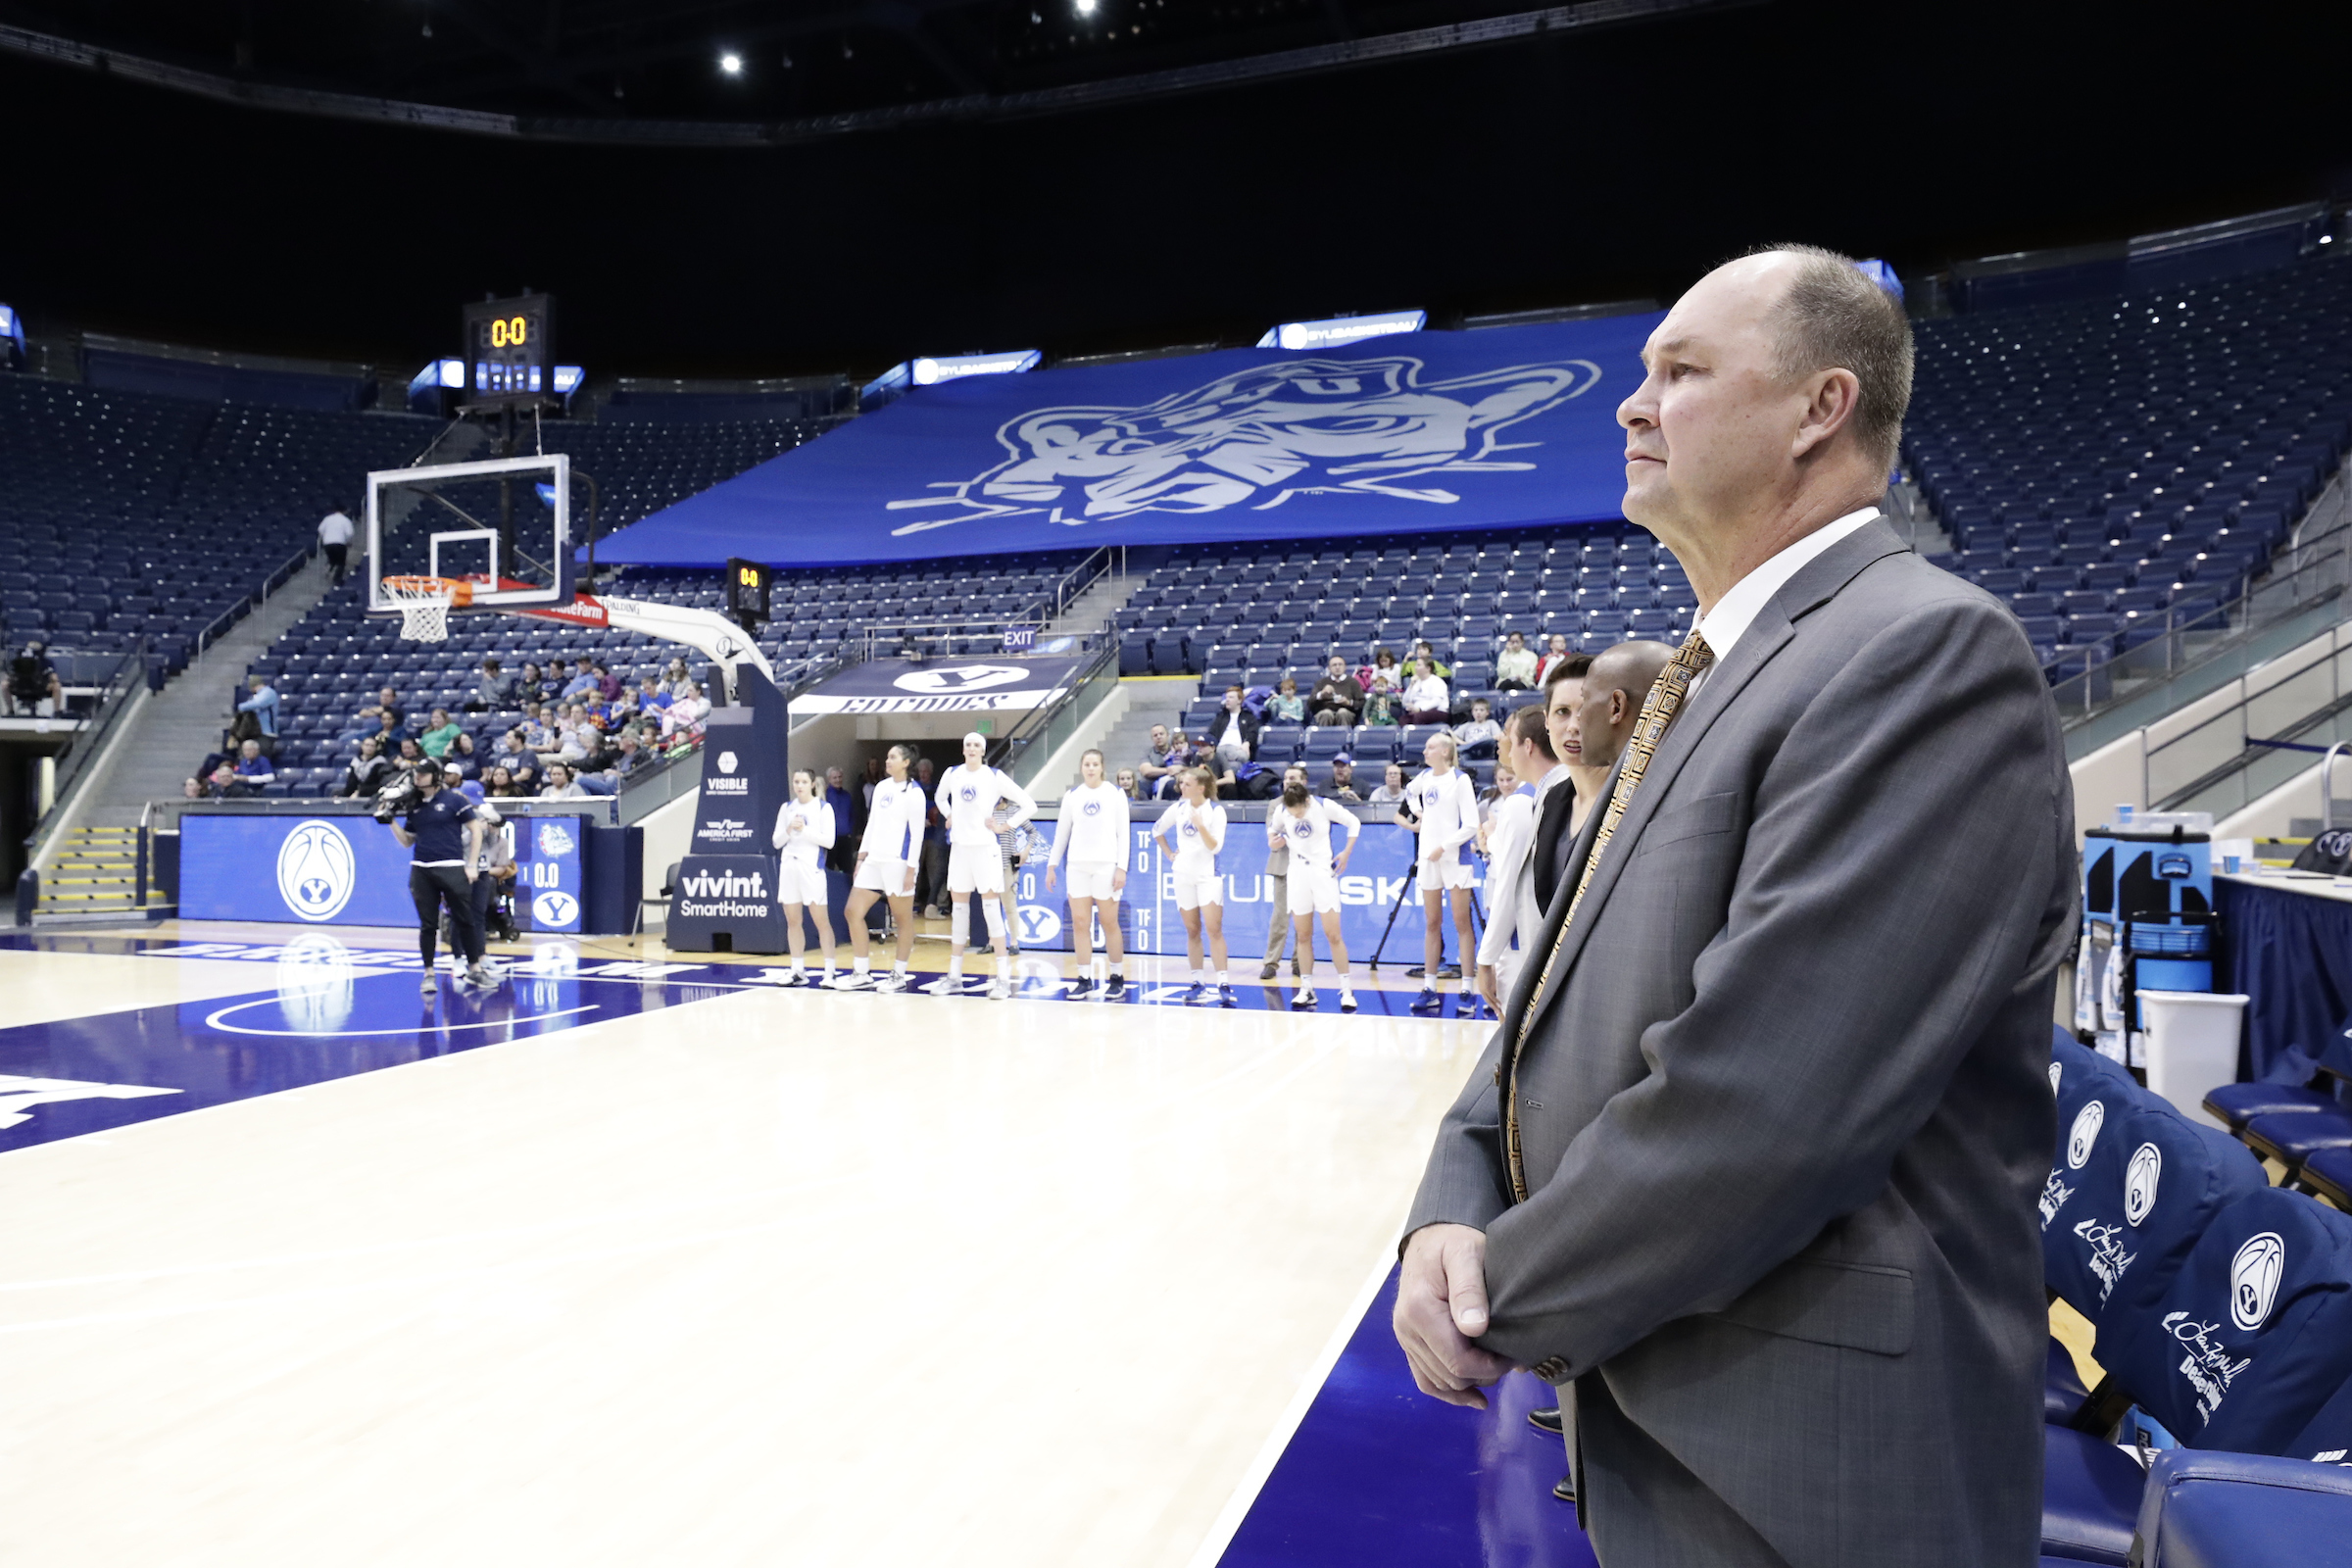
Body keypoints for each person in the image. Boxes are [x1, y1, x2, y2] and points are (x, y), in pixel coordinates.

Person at [1392, 246, 2073, 1568]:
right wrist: (1446, 1207)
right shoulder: (1715, 673)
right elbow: (1551, 1007)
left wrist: (1492, 1294)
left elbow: (1770, 1104)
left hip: (1811, 1470)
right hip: (1668, 1397)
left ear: (1821, 407)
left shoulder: (1924, 652)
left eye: (1681, 371)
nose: (1631, 404)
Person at [929, 731, 1036, 1000]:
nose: (972, 748)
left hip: (986, 851)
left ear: (983, 750)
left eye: (977, 745)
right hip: (960, 851)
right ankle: (954, 977)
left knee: (991, 911)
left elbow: (1028, 805)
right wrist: (949, 814)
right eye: (968, 745)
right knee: (960, 913)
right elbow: (940, 799)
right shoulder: (952, 774)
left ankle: (1002, 979)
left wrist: (1004, 825)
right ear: (963, 750)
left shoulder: (994, 776)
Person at [1474, 704, 1563, 1014]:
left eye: (1509, 736)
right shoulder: (1561, 788)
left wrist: (1485, 957)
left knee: (1514, 1041)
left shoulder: (1521, 803)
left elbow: (1511, 885)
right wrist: (1495, 843)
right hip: (1547, 941)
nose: (1503, 743)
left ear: (1526, 745)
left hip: (1521, 943)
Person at [384, 760, 493, 995]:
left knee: (465, 920)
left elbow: (476, 829)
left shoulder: (454, 799)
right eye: (416, 774)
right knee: (428, 925)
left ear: (435, 776)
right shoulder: (413, 805)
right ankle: (429, 974)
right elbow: (407, 841)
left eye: (422, 774)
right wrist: (390, 820)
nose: (417, 778)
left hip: (452, 866)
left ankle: (474, 968)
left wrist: (472, 864)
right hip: (422, 868)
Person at [836, 744, 926, 993]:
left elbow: (917, 835)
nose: (887, 761)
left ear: (906, 763)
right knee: (852, 911)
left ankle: (898, 974)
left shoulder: (914, 793)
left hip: (898, 863)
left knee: (902, 920)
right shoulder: (882, 787)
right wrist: (861, 858)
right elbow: (872, 823)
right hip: (874, 861)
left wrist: (911, 870)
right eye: (887, 757)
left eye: (893, 757)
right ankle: (862, 971)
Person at [1045, 748, 1131, 1000]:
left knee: (1109, 922)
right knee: (1080, 923)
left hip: (1106, 865)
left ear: (1102, 767)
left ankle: (1116, 977)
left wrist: (1121, 867)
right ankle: (1084, 978)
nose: (1091, 768)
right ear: (1081, 767)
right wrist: (1052, 865)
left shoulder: (1115, 793)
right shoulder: (1072, 796)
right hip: (1077, 866)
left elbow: (1123, 833)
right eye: (1087, 764)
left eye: (1095, 764)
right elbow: (1062, 833)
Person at [1269, 777, 1360, 1012]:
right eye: (1292, 813)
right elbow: (1273, 830)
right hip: (1297, 872)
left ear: (1306, 802)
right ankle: (1307, 988)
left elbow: (1354, 823)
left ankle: (1346, 989)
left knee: (1333, 934)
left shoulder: (1323, 805)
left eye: (1298, 812)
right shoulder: (1283, 810)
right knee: (1302, 935)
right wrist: (1274, 840)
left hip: (1322, 871)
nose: (1296, 817)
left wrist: (1346, 853)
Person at [1402, 733, 1479, 1012]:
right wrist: (1417, 811)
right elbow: (1409, 792)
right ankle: (1430, 987)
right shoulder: (1424, 778)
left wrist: (1444, 847)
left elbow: (1471, 824)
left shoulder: (1460, 780)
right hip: (1428, 859)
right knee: (1431, 923)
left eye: (1430, 746)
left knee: (1462, 923)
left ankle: (1467, 989)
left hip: (1455, 858)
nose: (1425, 750)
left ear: (1446, 752)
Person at [1154, 766, 1231, 1004]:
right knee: (1192, 930)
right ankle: (1198, 981)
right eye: (1181, 783)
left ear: (1201, 787)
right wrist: (1169, 854)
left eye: (1186, 784)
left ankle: (1223, 982)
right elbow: (1157, 830)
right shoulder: (1178, 808)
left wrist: (1200, 825)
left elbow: (1215, 847)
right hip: (1182, 876)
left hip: (1208, 876)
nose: (1181, 787)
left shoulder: (1216, 811)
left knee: (1213, 929)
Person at [772, 768, 839, 988]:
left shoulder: (823, 807)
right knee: (793, 920)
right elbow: (776, 841)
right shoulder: (787, 808)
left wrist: (806, 830)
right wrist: (790, 829)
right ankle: (797, 970)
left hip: (812, 868)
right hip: (789, 867)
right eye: (796, 781)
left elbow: (829, 841)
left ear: (812, 784)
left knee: (821, 921)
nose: (799, 785)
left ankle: (830, 971)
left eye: (803, 781)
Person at [1257, 760, 1311, 982]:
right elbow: (1275, 837)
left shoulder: (1313, 805)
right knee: (1280, 917)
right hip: (1283, 867)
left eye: (1294, 778)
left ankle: (1299, 962)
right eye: (1287, 778)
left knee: (1303, 917)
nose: (1289, 782)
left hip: (1307, 866)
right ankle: (1271, 963)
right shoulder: (1276, 805)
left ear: (1304, 782)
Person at [912, 758, 949, 916]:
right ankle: (912, 902)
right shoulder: (914, 788)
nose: (924, 774)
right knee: (915, 871)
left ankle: (941, 903)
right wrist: (920, 820)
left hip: (934, 835)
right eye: (921, 771)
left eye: (926, 772)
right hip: (917, 836)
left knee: (937, 871)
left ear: (931, 772)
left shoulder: (938, 789)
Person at [1202, 685, 1258, 767]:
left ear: (1239, 700)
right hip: (1220, 749)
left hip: (1237, 749)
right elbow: (1211, 733)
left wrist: (1247, 743)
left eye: (1231, 697)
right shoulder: (1221, 717)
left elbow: (1253, 733)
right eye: (1226, 697)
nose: (1227, 700)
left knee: (1237, 761)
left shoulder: (1249, 717)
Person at [6, 640, 62, 716]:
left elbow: (54, 678)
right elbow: (11, 676)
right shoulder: (19, 663)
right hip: (20, 686)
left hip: (41, 688)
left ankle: (57, 712)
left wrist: (51, 681)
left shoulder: (47, 662)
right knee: (4, 685)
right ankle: (10, 711)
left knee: (57, 686)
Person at [823, 765, 860, 874]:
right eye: (834, 778)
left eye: (840, 777)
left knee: (847, 870)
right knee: (828, 870)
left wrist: (850, 831)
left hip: (845, 839)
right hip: (830, 839)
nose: (838, 780)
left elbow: (851, 815)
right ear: (829, 779)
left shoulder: (847, 795)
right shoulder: (825, 795)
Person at [1308, 656, 1363, 727]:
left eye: (1340, 664)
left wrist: (1348, 702)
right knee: (1326, 713)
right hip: (1325, 710)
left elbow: (1362, 702)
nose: (1337, 667)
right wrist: (1321, 695)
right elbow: (1310, 703)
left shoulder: (1353, 682)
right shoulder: (1321, 682)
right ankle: (1323, 737)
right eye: (1334, 665)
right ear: (1329, 668)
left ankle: (1344, 737)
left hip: (1346, 712)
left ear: (1345, 667)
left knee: (1342, 712)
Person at [234, 673, 280, 755]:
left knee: (261, 757)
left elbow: (258, 703)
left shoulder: (268, 692)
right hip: (255, 733)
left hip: (267, 734)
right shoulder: (256, 696)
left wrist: (241, 706)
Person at [337, 734, 394, 798]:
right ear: (362, 746)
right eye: (367, 745)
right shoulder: (355, 761)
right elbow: (351, 782)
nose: (369, 748)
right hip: (357, 790)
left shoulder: (380, 762)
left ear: (376, 748)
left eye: (372, 746)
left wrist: (359, 791)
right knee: (336, 793)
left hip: (372, 792)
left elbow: (378, 783)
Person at [1137, 723, 1185, 797]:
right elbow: (1146, 771)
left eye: (1161, 734)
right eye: (1155, 735)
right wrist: (1168, 770)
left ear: (1168, 735)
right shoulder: (1148, 752)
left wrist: (1180, 769)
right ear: (1152, 738)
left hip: (1172, 781)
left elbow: (1188, 767)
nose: (1158, 737)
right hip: (1151, 782)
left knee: (1172, 785)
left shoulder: (1177, 749)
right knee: (1140, 785)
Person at [1401, 658, 1450, 725]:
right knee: (1403, 720)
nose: (1415, 668)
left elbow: (1437, 701)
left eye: (1418, 665)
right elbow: (1405, 702)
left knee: (1419, 716)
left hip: (1438, 711)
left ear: (1428, 668)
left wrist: (1420, 709)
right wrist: (1411, 685)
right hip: (1418, 711)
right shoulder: (1416, 682)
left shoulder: (1437, 681)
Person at [317, 506, 356, 585]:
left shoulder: (328, 519)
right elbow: (350, 533)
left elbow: (320, 529)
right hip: (340, 543)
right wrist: (347, 541)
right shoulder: (345, 520)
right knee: (341, 562)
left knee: (332, 560)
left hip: (327, 543)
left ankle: (329, 570)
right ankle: (337, 579)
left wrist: (325, 536)